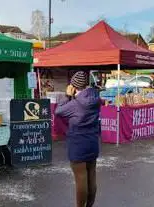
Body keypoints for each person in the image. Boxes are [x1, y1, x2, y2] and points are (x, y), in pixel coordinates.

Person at [55, 71, 100, 207]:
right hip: (92, 141)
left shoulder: (75, 104)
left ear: (74, 86)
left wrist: (67, 96)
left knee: (80, 178)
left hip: (78, 143)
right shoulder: (95, 98)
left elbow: (58, 111)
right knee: (91, 176)